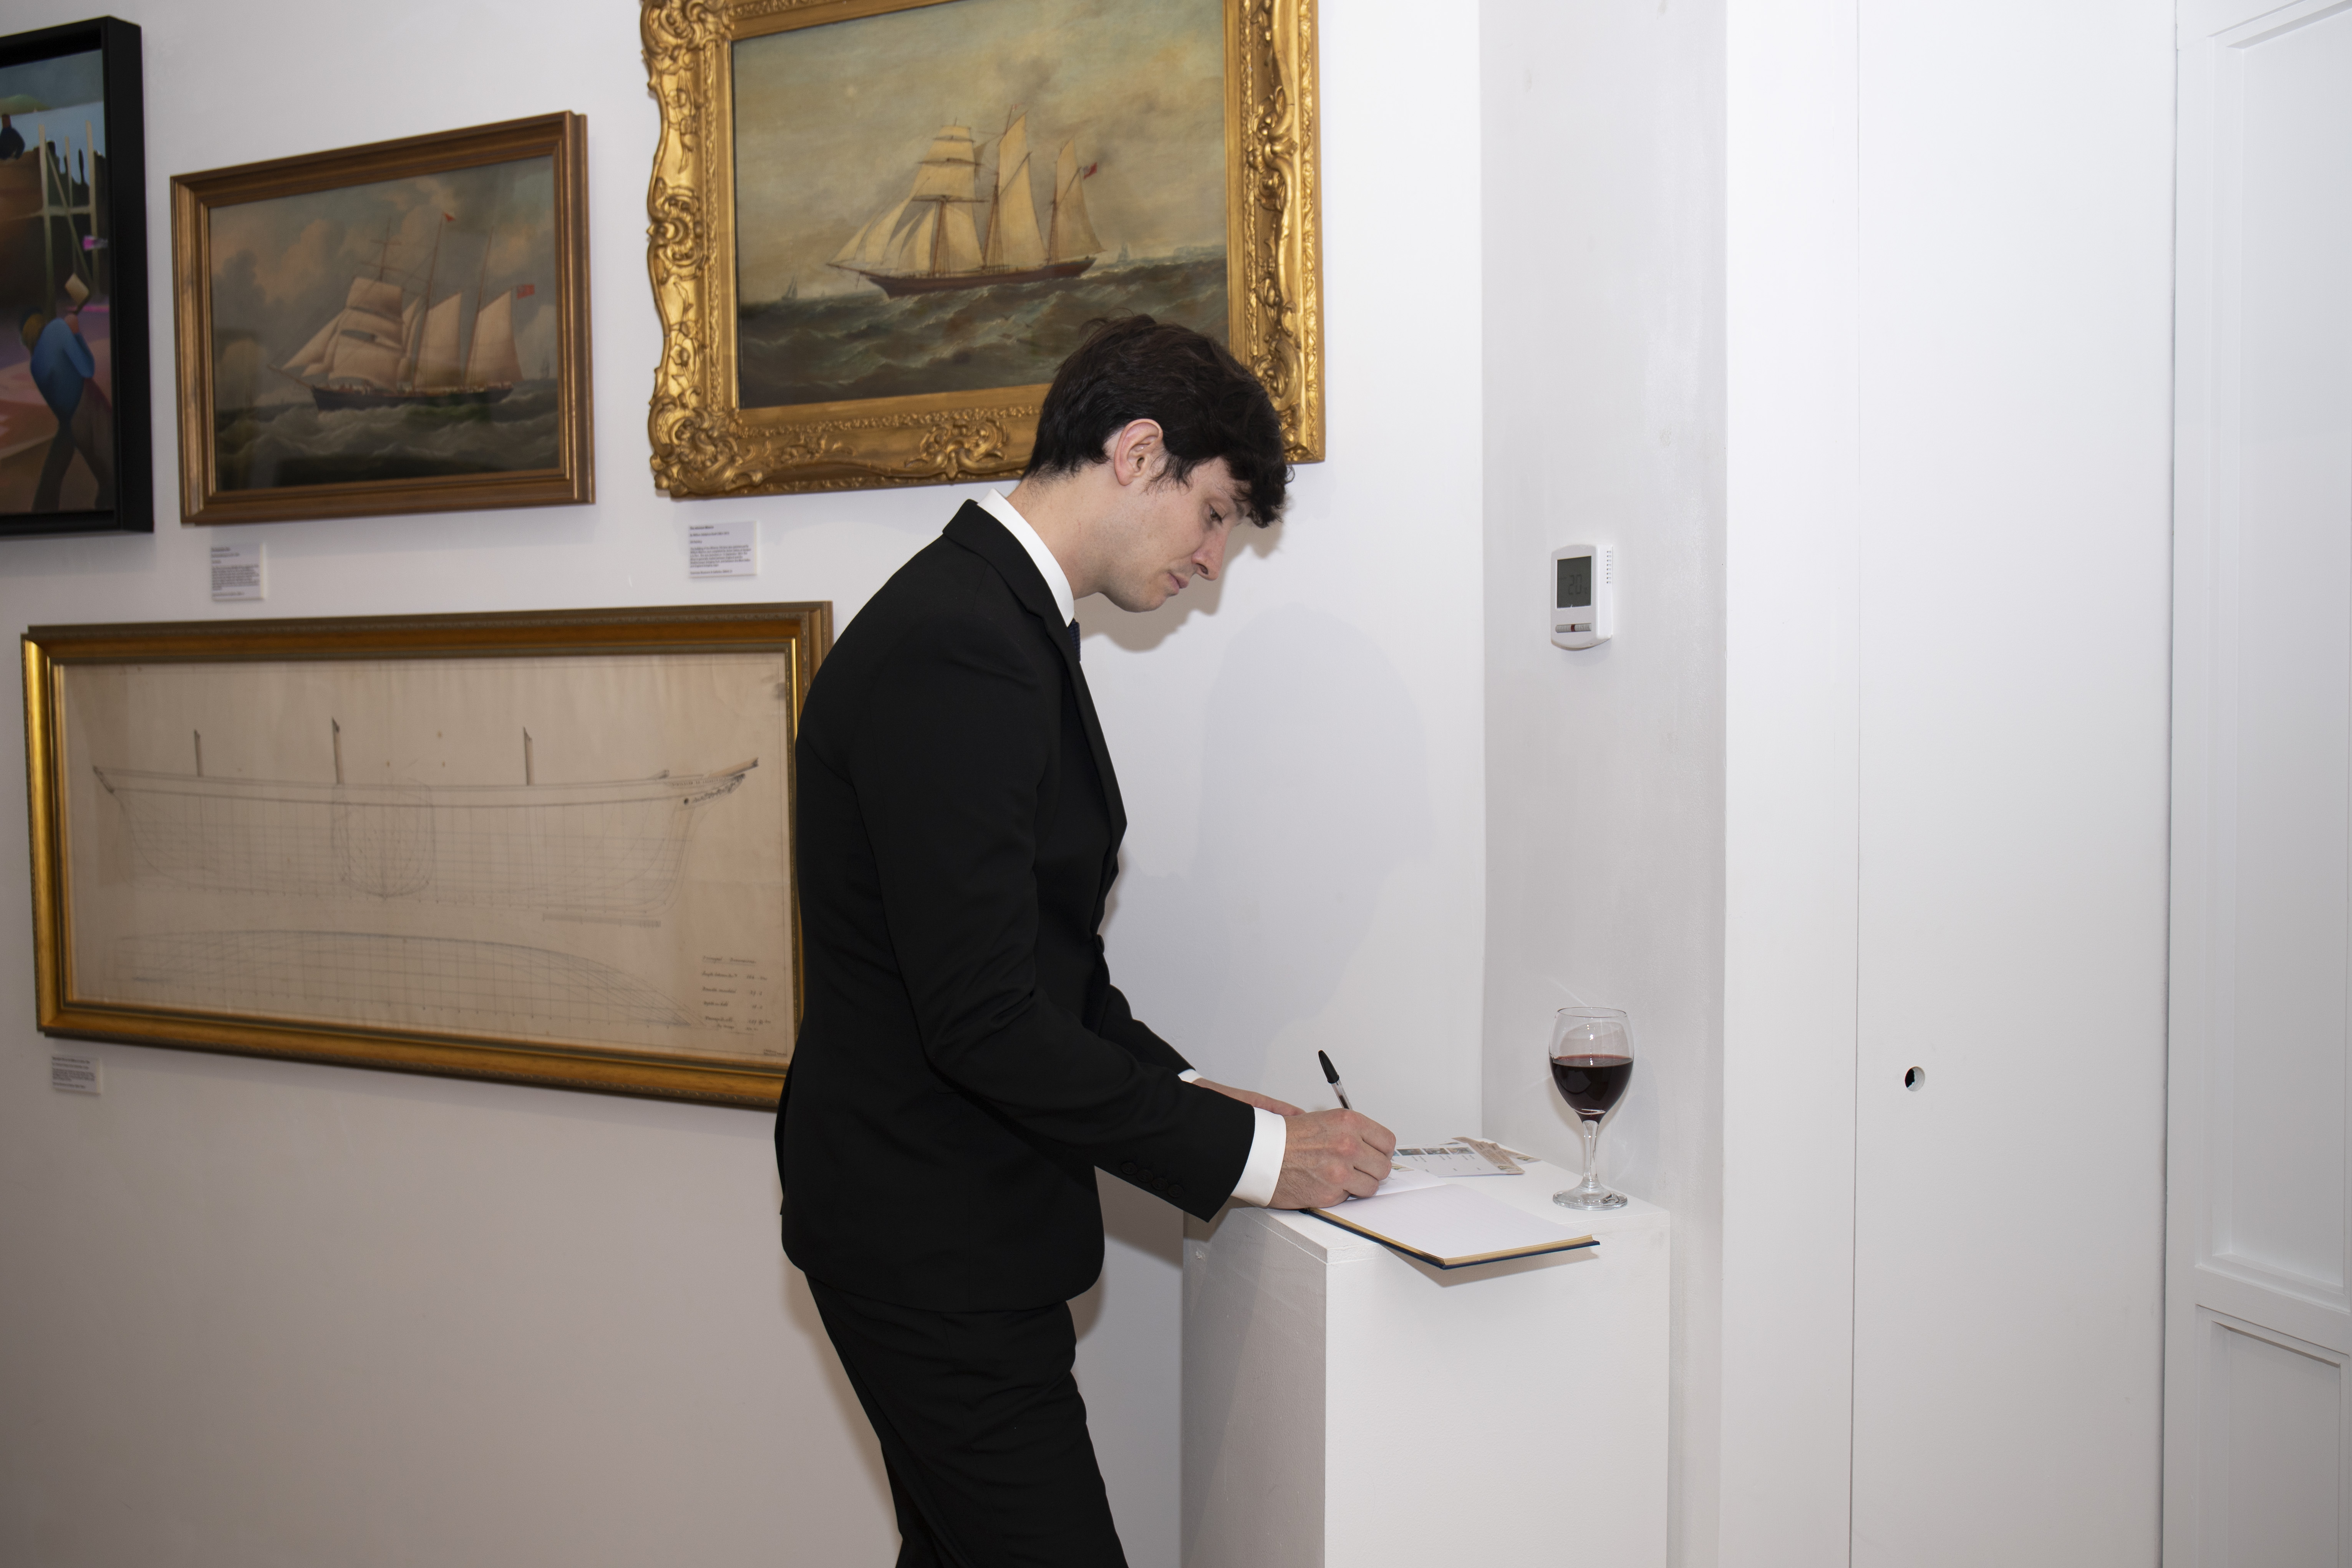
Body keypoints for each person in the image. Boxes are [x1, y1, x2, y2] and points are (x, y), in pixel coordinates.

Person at [779, 315, 1396, 1567]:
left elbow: (1049, 967)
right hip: (927, 1245)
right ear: (1137, 452)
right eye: (1213, 515)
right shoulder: (964, 640)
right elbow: (985, 1020)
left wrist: (1196, 1092)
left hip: (950, 1232)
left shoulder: (1004, 619)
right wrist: (1252, 1156)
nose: (1211, 563)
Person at [22, 281, 114, 512]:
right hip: (90, 405)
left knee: (99, 469)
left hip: (72, 423)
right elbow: (88, 369)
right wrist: (76, 333)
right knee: (113, 466)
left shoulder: (35, 366)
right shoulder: (56, 329)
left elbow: (59, 405)